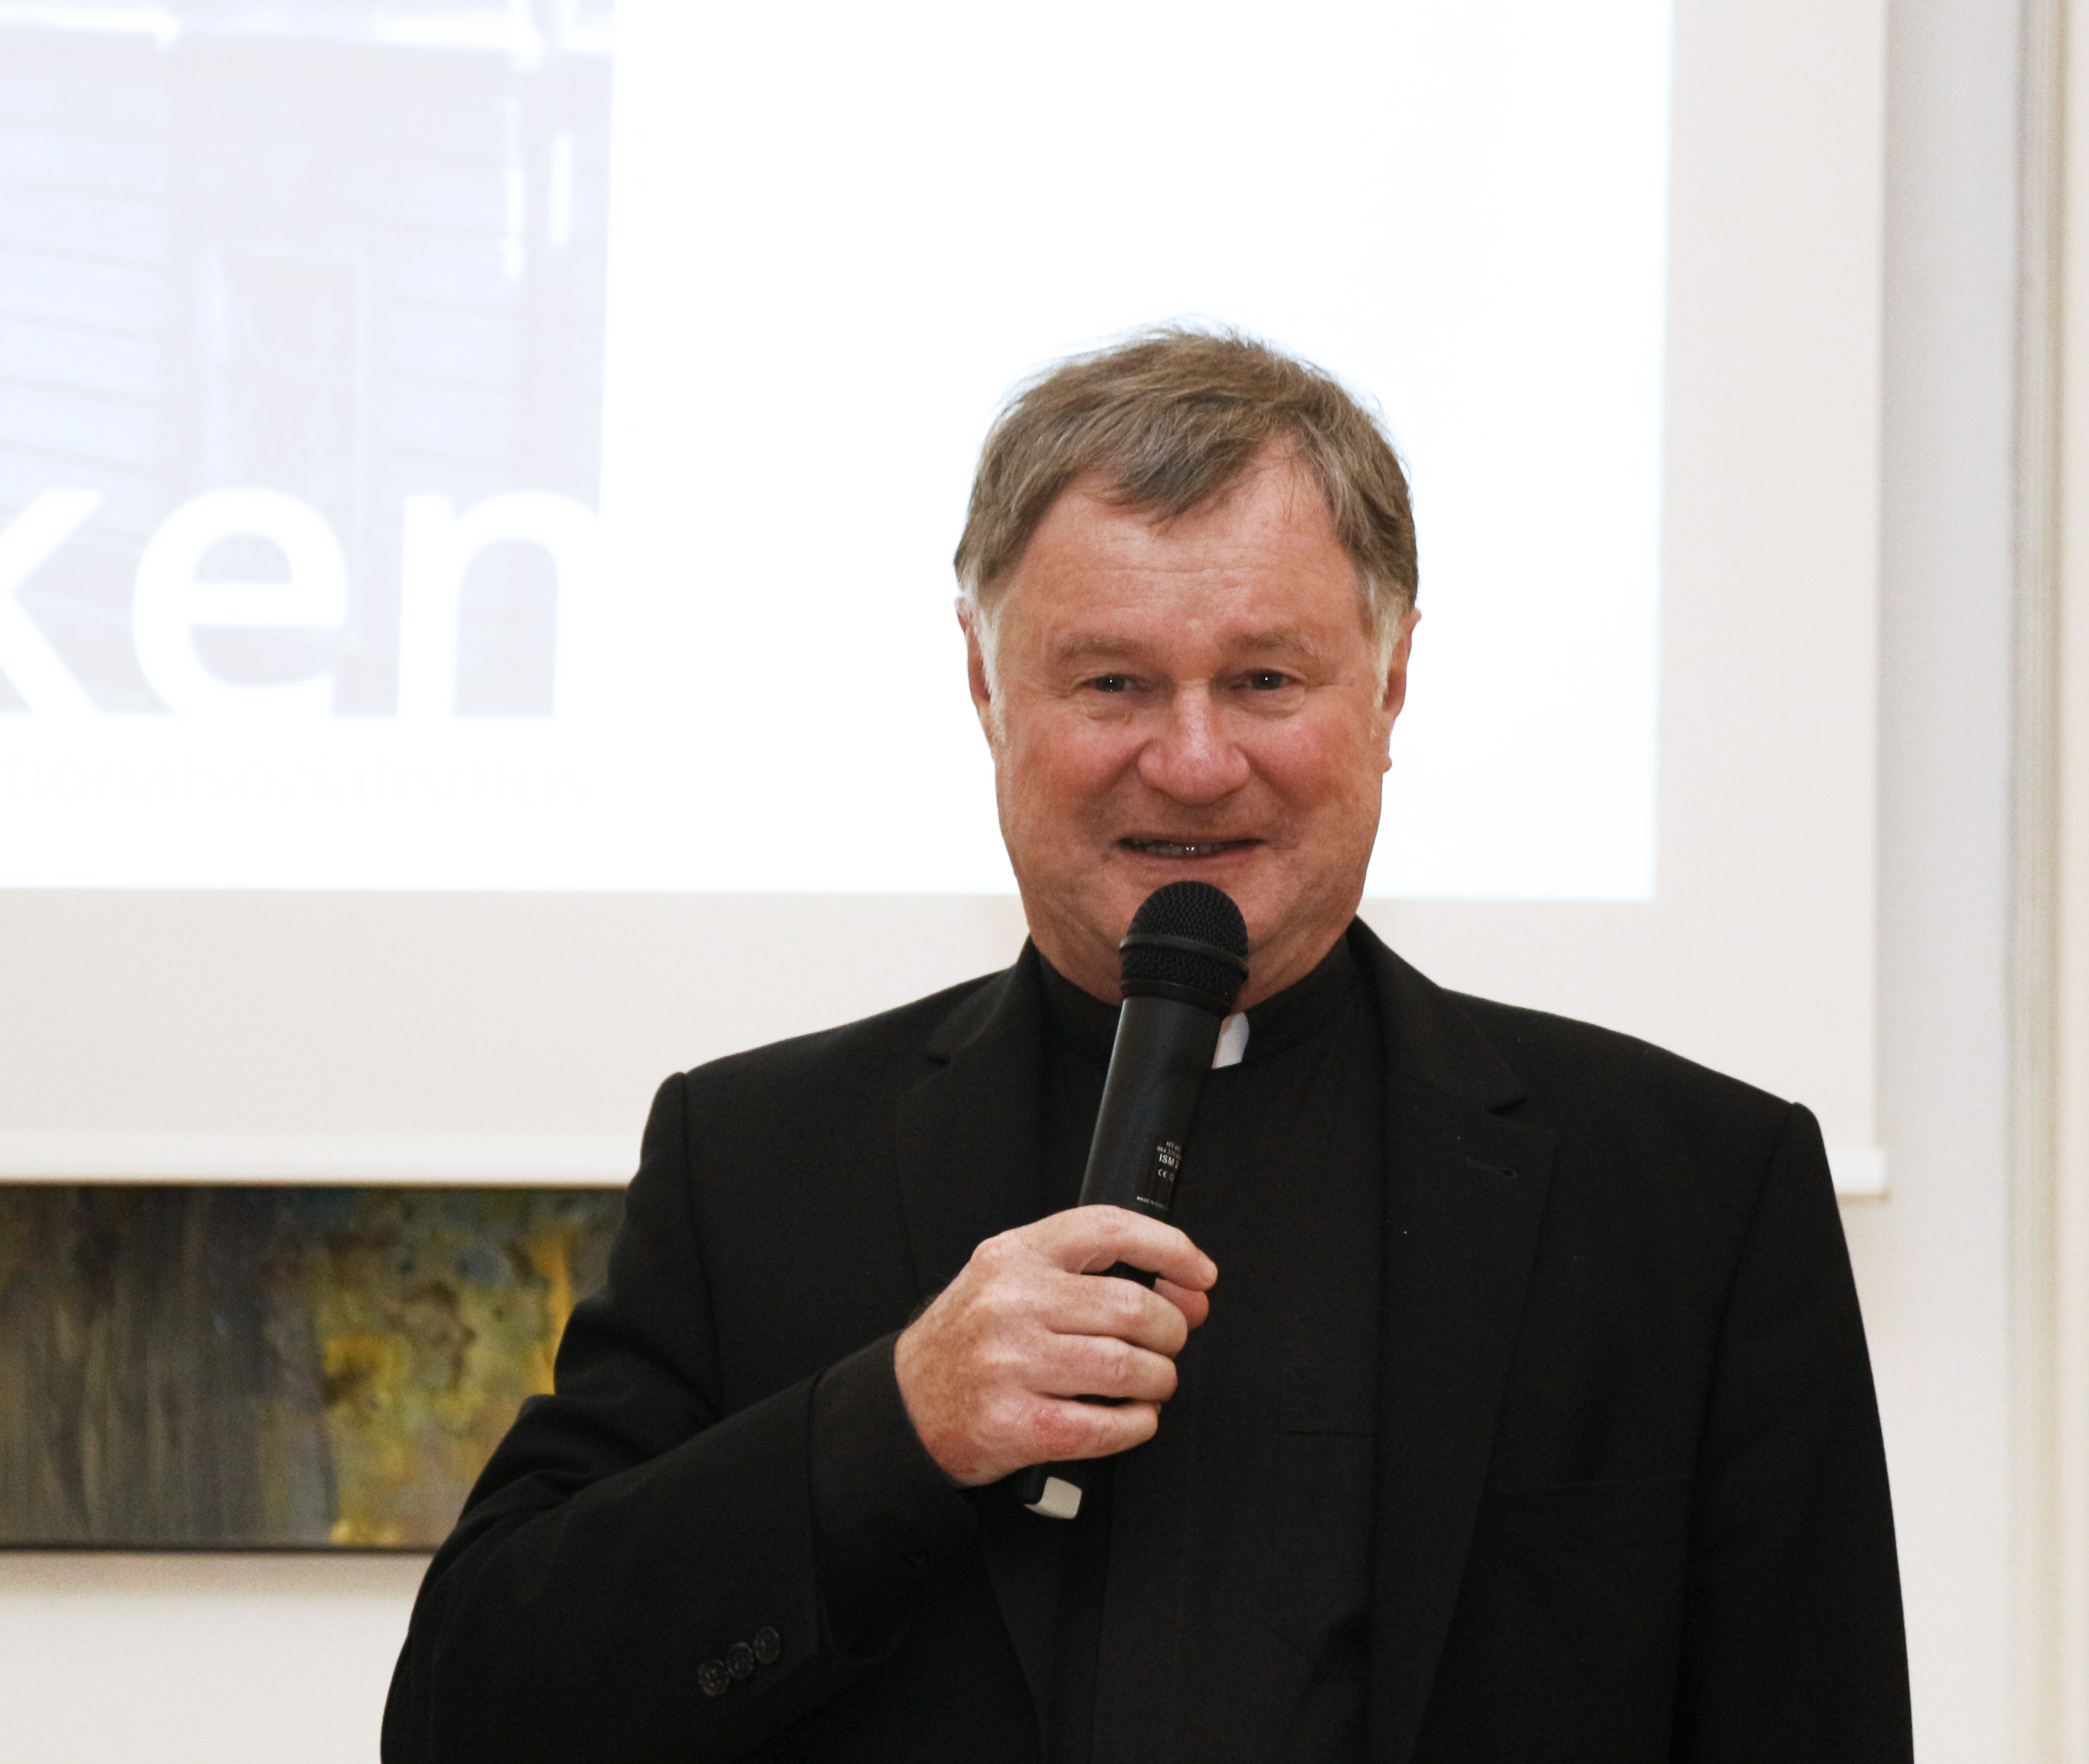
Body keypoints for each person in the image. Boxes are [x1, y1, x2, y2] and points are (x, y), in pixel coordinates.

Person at [382, 328, 1910, 1763]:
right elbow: (469, 1716)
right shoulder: (759, 1161)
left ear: (1390, 684)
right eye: (1112, 681)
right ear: (987, 685)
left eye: (1266, 680)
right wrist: (894, 1423)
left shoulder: (1695, 1195)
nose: (1191, 761)